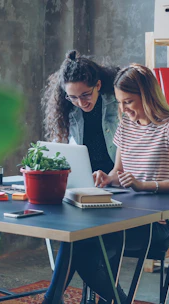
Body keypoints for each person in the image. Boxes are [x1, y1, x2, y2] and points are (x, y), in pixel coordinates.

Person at [86, 63, 169, 303]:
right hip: (125, 216)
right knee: (80, 243)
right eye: (120, 103)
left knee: (91, 243)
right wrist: (106, 177)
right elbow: (119, 172)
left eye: (129, 102)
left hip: (159, 224)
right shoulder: (125, 125)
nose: (123, 110)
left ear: (146, 96)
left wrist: (145, 185)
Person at [41, 50, 120, 304]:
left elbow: (129, 152)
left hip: (117, 186)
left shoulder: (119, 104)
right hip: (88, 187)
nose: (80, 102)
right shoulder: (68, 109)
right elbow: (63, 150)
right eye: (72, 97)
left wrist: (111, 176)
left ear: (98, 85)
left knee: (76, 239)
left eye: (85, 95)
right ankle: (53, 299)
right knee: (74, 235)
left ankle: (52, 299)